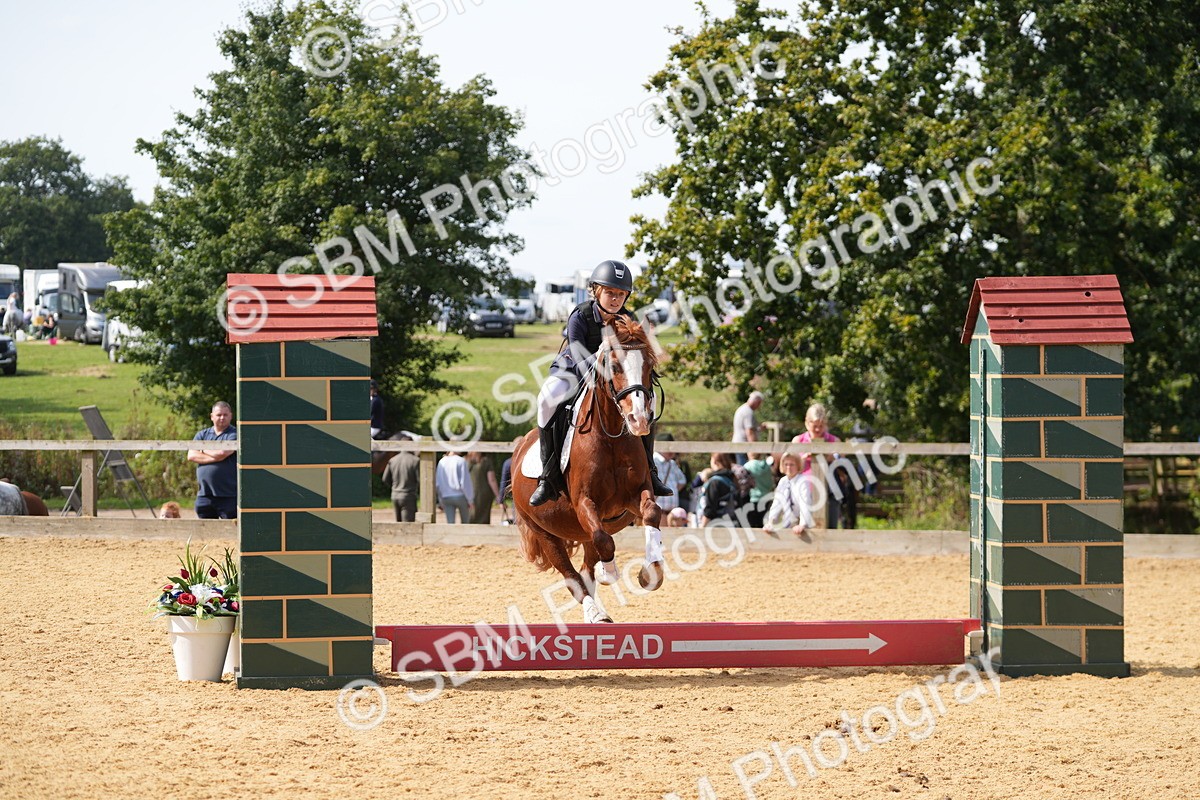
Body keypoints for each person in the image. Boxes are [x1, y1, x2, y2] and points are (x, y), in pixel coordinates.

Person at [528, 259, 672, 505]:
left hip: (616, 377)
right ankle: (548, 476)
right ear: (596, 291)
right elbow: (577, 355)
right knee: (546, 400)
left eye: (620, 294)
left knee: (650, 400)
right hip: (574, 370)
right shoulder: (580, 316)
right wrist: (600, 361)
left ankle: (651, 471)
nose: (615, 299)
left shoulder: (627, 318)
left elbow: (637, 352)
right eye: (609, 292)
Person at [791, 402, 840, 530]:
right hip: (804, 490)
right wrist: (804, 457)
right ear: (807, 423)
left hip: (828, 490)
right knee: (803, 527)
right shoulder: (798, 441)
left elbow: (841, 461)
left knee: (830, 526)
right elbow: (790, 466)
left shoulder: (834, 441)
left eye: (821, 426)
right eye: (815, 426)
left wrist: (830, 457)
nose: (818, 430)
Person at [187, 401, 238, 519]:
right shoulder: (202, 434)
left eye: (225, 415)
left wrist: (202, 450)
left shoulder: (234, 434)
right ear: (212, 416)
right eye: (219, 415)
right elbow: (191, 455)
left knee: (231, 527)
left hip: (228, 495)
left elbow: (222, 453)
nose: (222, 418)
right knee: (205, 528)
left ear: (231, 416)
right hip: (205, 494)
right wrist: (214, 454)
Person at [764, 451, 814, 537]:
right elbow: (777, 503)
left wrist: (802, 525)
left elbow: (805, 504)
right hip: (786, 522)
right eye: (786, 464)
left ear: (798, 465)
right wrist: (770, 522)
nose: (788, 467)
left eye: (792, 465)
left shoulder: (802, 481)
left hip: (800, 522)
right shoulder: (783, 481)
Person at [382, 435, 420, 522]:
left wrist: (395, 487)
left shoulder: (392, 460)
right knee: (408, 525)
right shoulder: (415, 460)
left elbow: (385, 479)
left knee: (398, 524)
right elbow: (420, 480)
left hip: (395, 495)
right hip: (408, 495)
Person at [697, 452, 739, 526]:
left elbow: (710, 509)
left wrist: (702, 527)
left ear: (715, 461)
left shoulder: (715, 482)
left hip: (716, 525)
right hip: (732, 524)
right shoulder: (732, 480)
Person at [435, 450, 473, 524]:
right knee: (465, 522)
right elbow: (465, 483)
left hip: (446, 496)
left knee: (450, 523)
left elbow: (438, 484)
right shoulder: (461, 461)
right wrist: (470, 499)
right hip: (460, 496)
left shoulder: (441, 462)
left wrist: (440, 499)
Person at [653, 432, 688, 512]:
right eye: (668, 447)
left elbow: (682, 481)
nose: (671, 450)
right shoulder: (653, 462)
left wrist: (672, 490)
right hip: (658, 510)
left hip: (672, 512)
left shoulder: (672, 464)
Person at [743, 452, 775, 527]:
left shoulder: (747, 466)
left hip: (754, 499)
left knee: (754, 525)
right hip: (767, 498)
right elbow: (771, 483)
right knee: (764, 523)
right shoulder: (767, 466)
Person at [731, 391, 764, 465]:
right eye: (759, 403)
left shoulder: (743, 409)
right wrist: (754, 448)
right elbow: (749, 431)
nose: (759, 406)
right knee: (744, 467)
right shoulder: (748, 412)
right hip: (743, 446)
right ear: (756, 401)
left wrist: (758, 429)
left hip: (738, 444)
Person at [467, 450, 499, 524]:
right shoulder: (486, 461)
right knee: (483, 518)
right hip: (484, 494)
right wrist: (498, 495)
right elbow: (492, 480)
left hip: (468, 492)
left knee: (470, 516)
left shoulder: (465, 460)